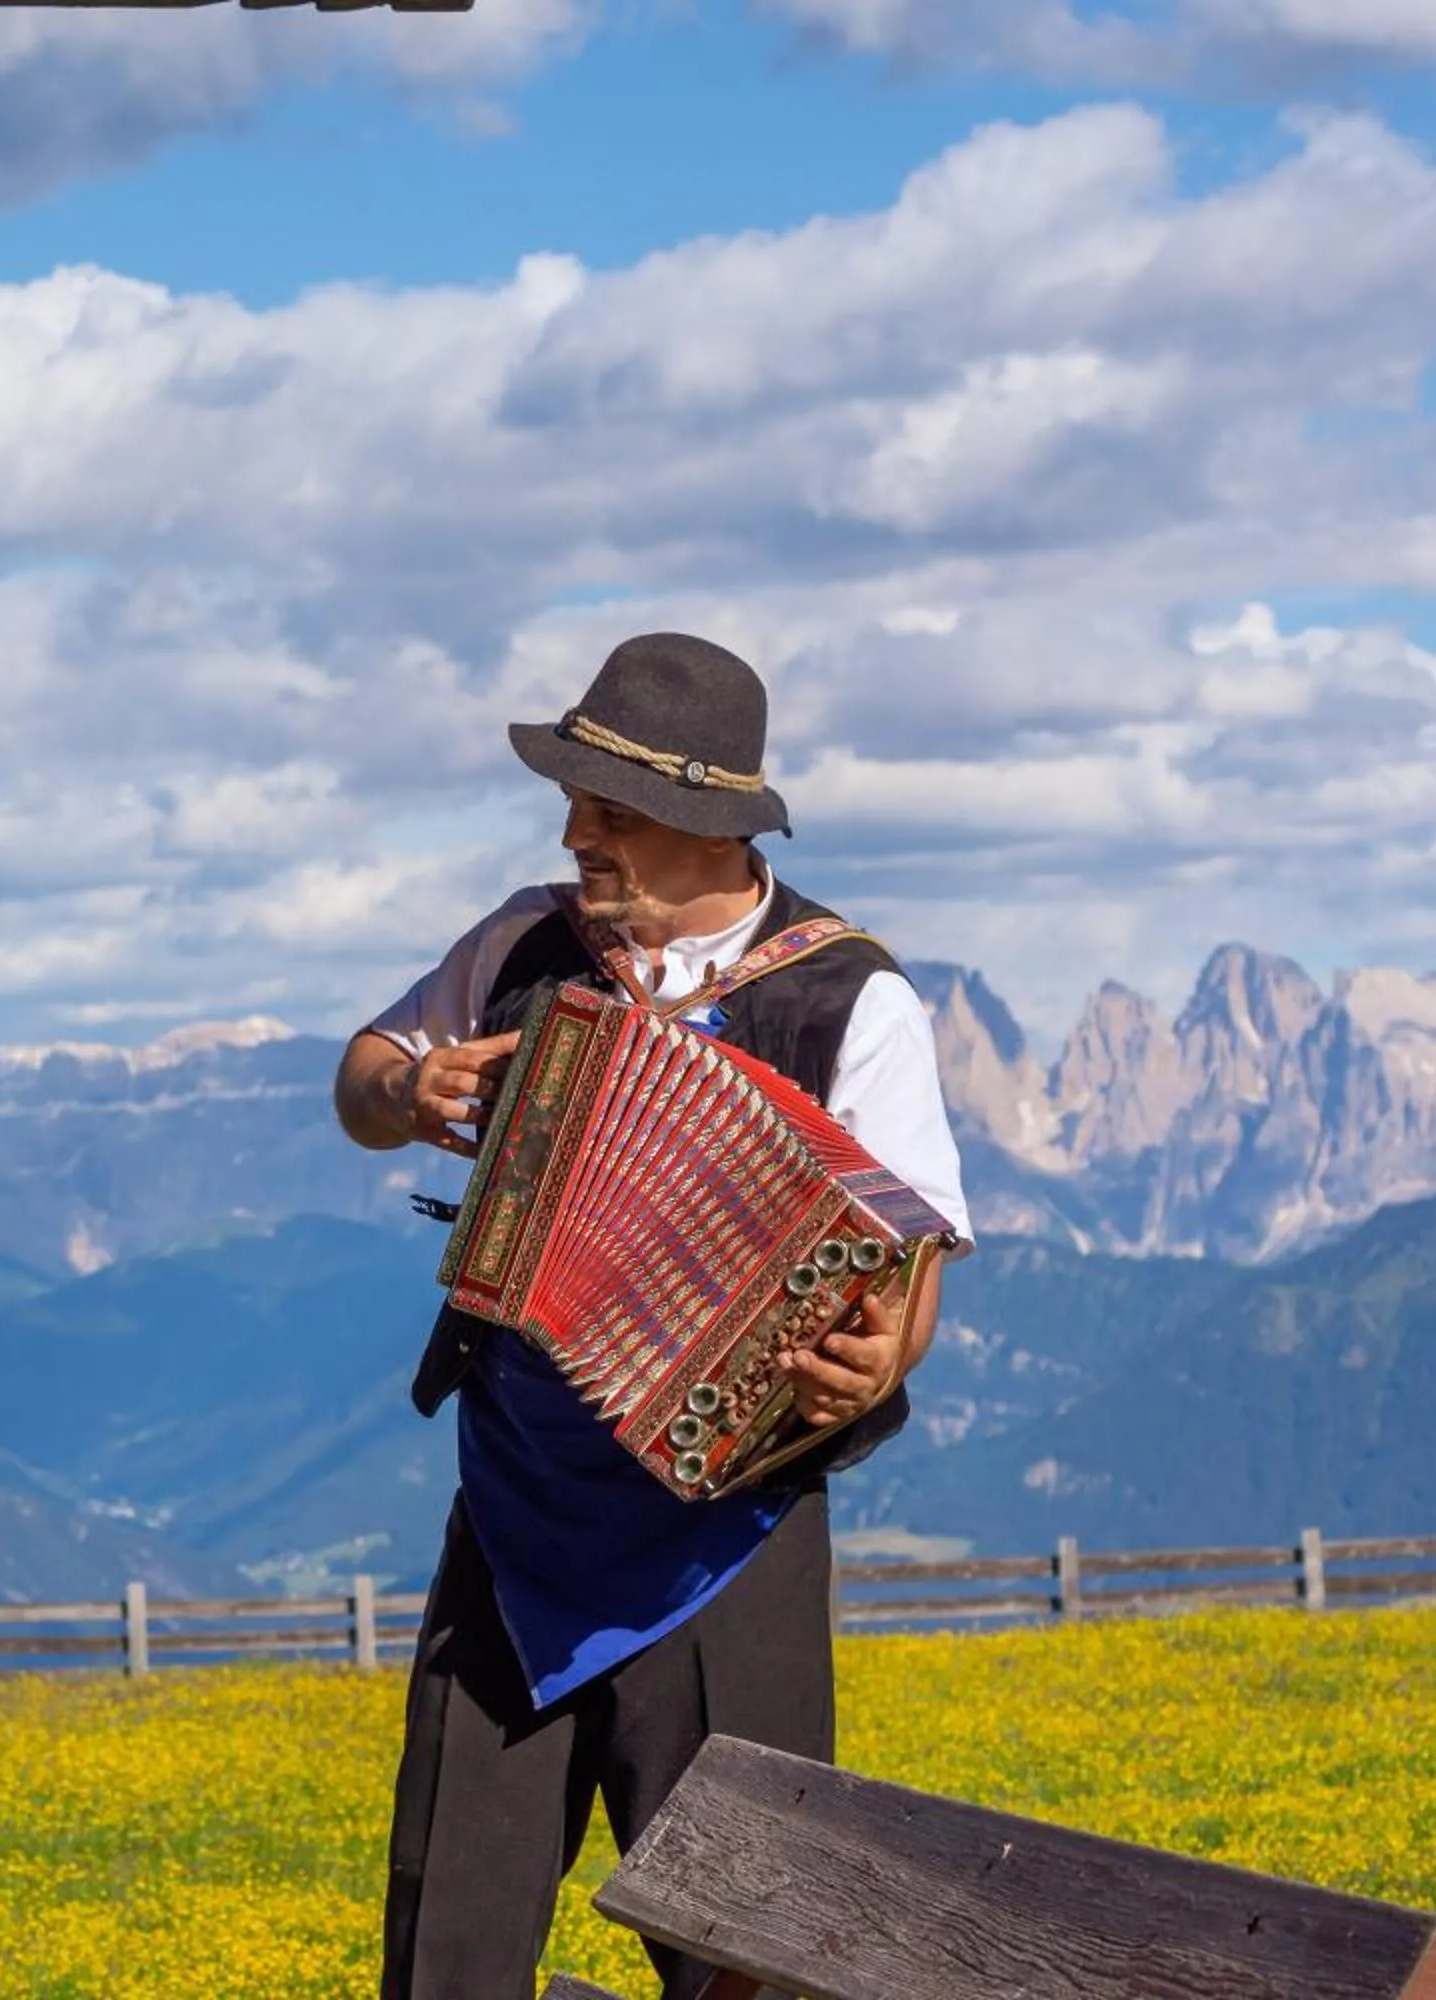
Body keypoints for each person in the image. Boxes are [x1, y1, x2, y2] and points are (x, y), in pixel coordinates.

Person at [334, 633, 974, 2000]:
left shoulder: (849, 993)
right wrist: (412, 1092)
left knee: (747, 1957)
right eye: (574, 803)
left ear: (701, 821)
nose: (573, 833)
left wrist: (873, 1370)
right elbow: (365, 1074)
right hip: (511, 1523)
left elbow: (914, 1255)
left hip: (726, 1544)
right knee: (446, 1938)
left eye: (605, 810)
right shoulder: (524, 938)